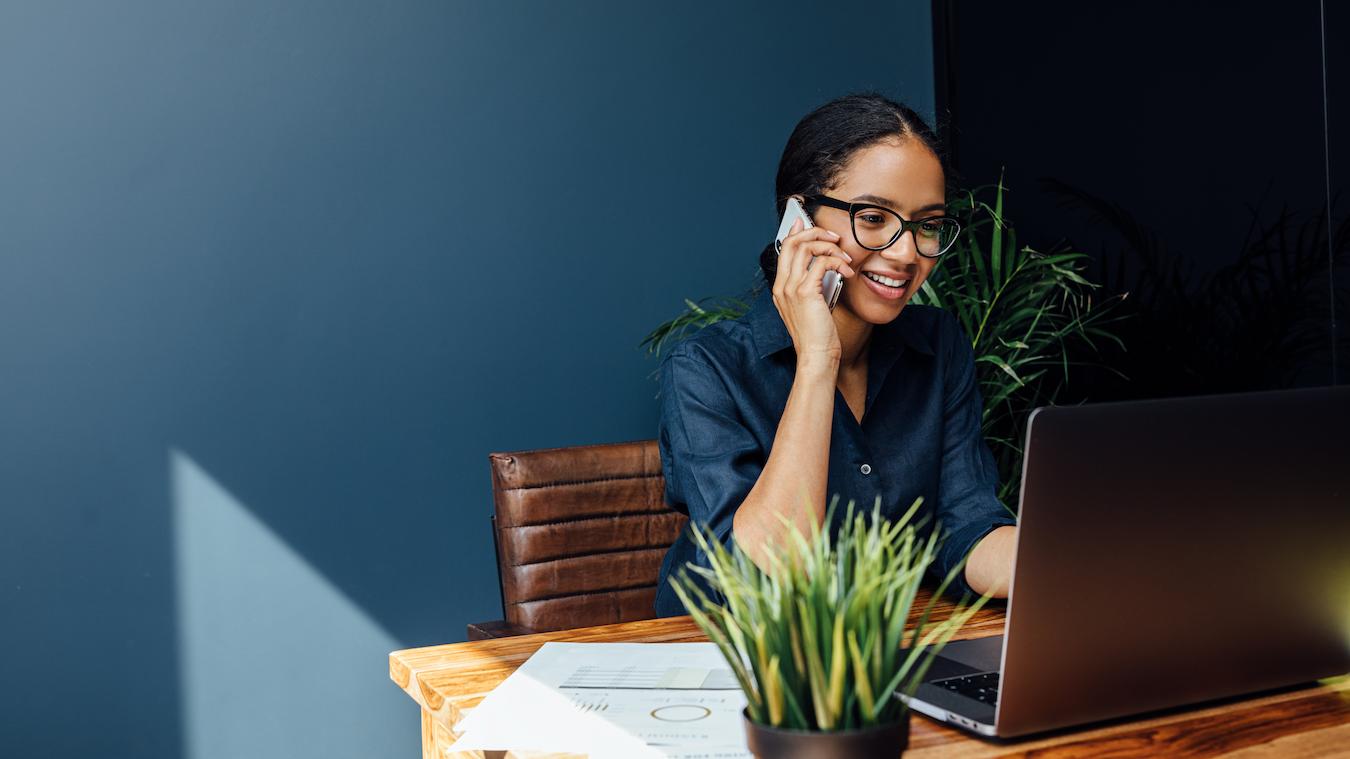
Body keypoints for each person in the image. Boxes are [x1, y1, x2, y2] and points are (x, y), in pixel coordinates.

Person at [653, 93, 1018, 617]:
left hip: (877, 654)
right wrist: (817, 361)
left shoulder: (939, 346)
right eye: (873, 218)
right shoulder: (706, 369)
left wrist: (1076, 561)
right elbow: (765, 575)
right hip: (723, 658)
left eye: (928, 224)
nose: (906, 253)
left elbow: (965, 527)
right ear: (798, 220)